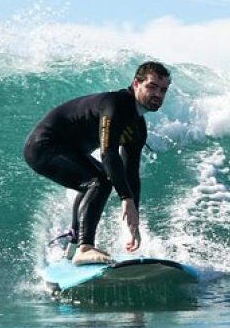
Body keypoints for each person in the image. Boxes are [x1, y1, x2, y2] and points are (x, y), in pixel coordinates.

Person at [23, 61, 171, 265]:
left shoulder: (138, 126)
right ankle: (85, 248)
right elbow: (108, 153)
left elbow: (131, 173)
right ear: (136, 83)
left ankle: (73, 245)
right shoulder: (116, 104)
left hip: (68, 150)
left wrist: (133, 220)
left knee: (94, 180)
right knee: (99, 180)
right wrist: (125, 199)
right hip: (44, 146)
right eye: (152, 87)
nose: (158, 95)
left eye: (163, 90)